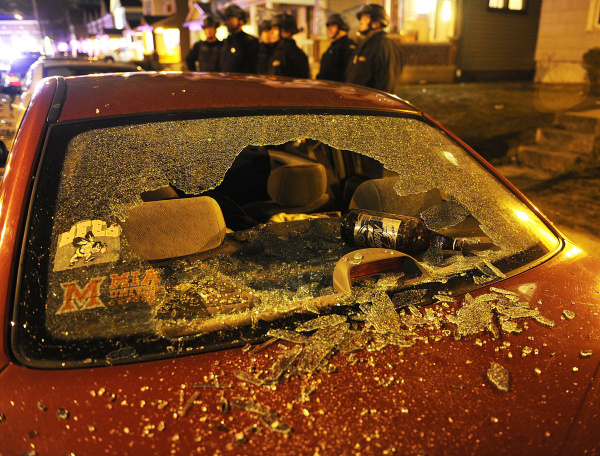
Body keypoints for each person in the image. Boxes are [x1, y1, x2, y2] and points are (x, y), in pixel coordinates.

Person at [346, 4, 404, 93]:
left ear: (376, 23)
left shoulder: (382, 46)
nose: (360, 22)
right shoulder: (370, 44)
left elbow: (386, 82)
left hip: (372, 100)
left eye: (365, 19)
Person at [219, 3, 259, 74]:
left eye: (230, 19)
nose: (227, 22)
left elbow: (251, 68)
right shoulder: (227, 41)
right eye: (226, 19)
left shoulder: (250, 42)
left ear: (241, 20)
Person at [267, 13, 310, 79]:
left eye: (275, 29)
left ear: (287, 32)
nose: (271, 32)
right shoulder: (278, 51)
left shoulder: (293, 54)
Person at [316, 13, 357, 82]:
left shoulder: (347, 46)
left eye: (333, 25)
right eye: (328, 26)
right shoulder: (334, 46)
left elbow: (348, 73)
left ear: (342, 26)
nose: (329, 28)